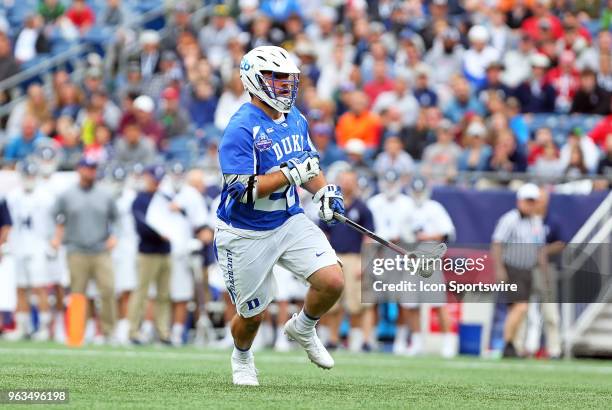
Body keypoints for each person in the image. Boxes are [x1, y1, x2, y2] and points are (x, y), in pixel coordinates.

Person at [215, 46, 345, 386]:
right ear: (253, 80)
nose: (285, 86)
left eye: (289, 80)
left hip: (288, 219)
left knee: (332, 281)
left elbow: (309, 167)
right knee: (253, 316)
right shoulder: (241, 128)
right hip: (245, 230)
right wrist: (289, 174)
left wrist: (323, 192)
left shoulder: (296, 119)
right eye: (276, 78)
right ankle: (242, 356)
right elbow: (240, 190)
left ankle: (302, 327)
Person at [51, 157, 118, 342]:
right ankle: (78, 331)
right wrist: (57, 237)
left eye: (93, 168)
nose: (90, 172)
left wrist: (114, 235)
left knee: (108, 289)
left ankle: (108, 332)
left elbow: (116, 218)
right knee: (78, 293)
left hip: (100, 249)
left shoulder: (105, 194)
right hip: (76, 249)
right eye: (87, 168)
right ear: (79, 169)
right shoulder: (66, 195)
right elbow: (56, 217)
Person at [319, 170, 375, 352]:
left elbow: (368, 238)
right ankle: (333, 339)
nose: (347, 184)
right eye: (344, 181)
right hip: (334, 256)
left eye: (350, 181)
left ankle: (356, 339)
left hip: (353, 257)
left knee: (355, 303)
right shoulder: (331, 206)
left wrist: (364, 261)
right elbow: (324, 234)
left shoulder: (363, 208)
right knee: (332, 303)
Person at [491, 183, 547, 358]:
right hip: (512, 268)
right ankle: (508, 342)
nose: (530, 205)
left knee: (517, 309)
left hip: (528, 270)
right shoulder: (510, 219)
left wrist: (543, 272)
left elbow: (540, 249)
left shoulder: (536, 222)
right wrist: (499, 269)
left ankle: (511, 345)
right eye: (527, 201)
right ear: (520, 201)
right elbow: (497, 243)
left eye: (533, 201)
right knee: (521, 307)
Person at [3, 162, 54, 341]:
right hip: (18, 246)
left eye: (32, 176)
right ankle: (23, 327)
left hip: (38, 246)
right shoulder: (12, 196)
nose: (29, 180)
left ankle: (44, 327)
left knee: (40, 288)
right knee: (20, 288)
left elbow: (55, 222)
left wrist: (52, 243)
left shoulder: (46, 197)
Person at [127, 165, 172, 345]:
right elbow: (141, 225)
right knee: (142, 292)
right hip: (147, 252)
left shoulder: (166, 198)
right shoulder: (140, 199)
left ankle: (162, 331)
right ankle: (133, 330)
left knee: (164, 294)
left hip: (165, 251)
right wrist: (159, 233)